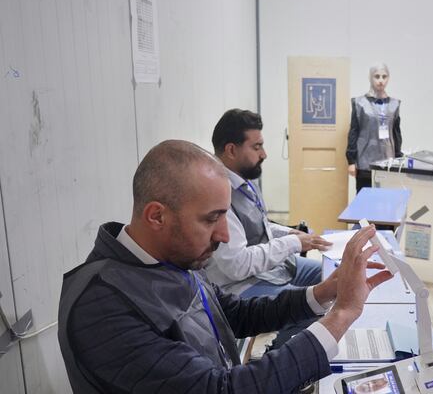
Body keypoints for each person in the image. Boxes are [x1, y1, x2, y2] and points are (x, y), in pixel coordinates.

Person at [57, 140, 393, 393]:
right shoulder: (101, 307)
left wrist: (325, 292)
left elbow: (232, 314)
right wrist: (343, 313)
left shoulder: (171, 259)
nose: (223, 234)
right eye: (211, 219)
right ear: (156, 216)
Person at [205, 109, 331, 299]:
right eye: (256, 147)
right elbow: (237, 266)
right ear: (231, 150)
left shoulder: (244, 181)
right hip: (241, 285)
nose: (264, 154)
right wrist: (293, 243)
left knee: (333, 276)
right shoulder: (216, 194)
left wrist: (289, 232)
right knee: (312, 307)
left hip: (268, 270)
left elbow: (255, 225)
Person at [346, 63, 403, 193]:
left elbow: (396, 133)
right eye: (377, 76)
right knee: (364, 200)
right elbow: (353, 131)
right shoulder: (359, 103)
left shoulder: (394, 104)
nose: (381, 81)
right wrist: (351, 161)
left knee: (384, 201)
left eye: (384, 76)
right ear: (370, 78)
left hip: (387, 160)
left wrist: (398, 158)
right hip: (365, 161)